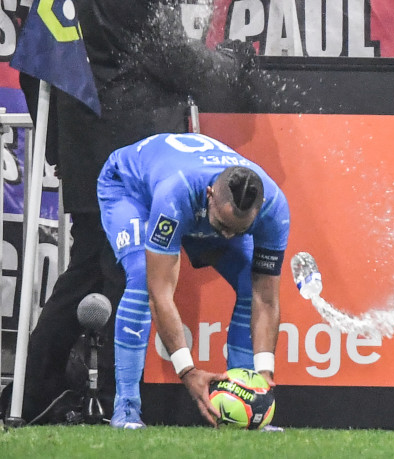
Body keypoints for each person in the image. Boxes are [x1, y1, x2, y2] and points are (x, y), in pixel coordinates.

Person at [9, 0, 259, 424]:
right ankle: (104, 397)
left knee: (88, 270)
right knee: (125, 277)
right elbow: (175, 61)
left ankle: (32, 395)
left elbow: (32, 68)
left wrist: (59, 146)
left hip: (91, 151)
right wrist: (231, 64)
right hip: (130, 158)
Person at [96, 132, 289, 429]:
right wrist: (187, 371)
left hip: (192, 205)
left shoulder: (274, 208)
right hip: (132, 190)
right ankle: (126, 408)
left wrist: (264, 373)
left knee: (251, 282)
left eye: (240, 231)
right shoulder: (177, 193)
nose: (228, 237)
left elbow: (266, 298)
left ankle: (245, 396)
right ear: (211, 194)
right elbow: (159, 293)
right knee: (140, 275)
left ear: (258, 210)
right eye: (224, 226)